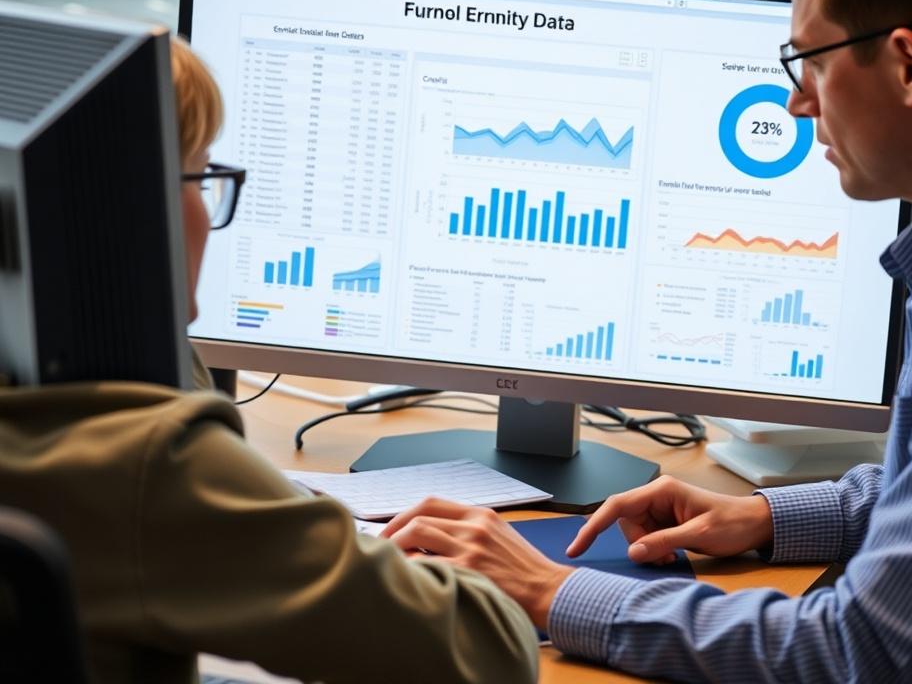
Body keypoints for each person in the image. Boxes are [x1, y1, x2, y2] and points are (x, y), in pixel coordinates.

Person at [382, 0, 912, 680]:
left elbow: (866, 654)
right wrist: (766, 515)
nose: (798, 105)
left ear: (908, 65)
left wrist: (548, 590)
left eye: (811, 62)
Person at [0, 37, 538, 683]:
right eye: (201, 175)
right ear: (130, 211)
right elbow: (487, 653)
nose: (207, 212)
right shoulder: (143, 464)